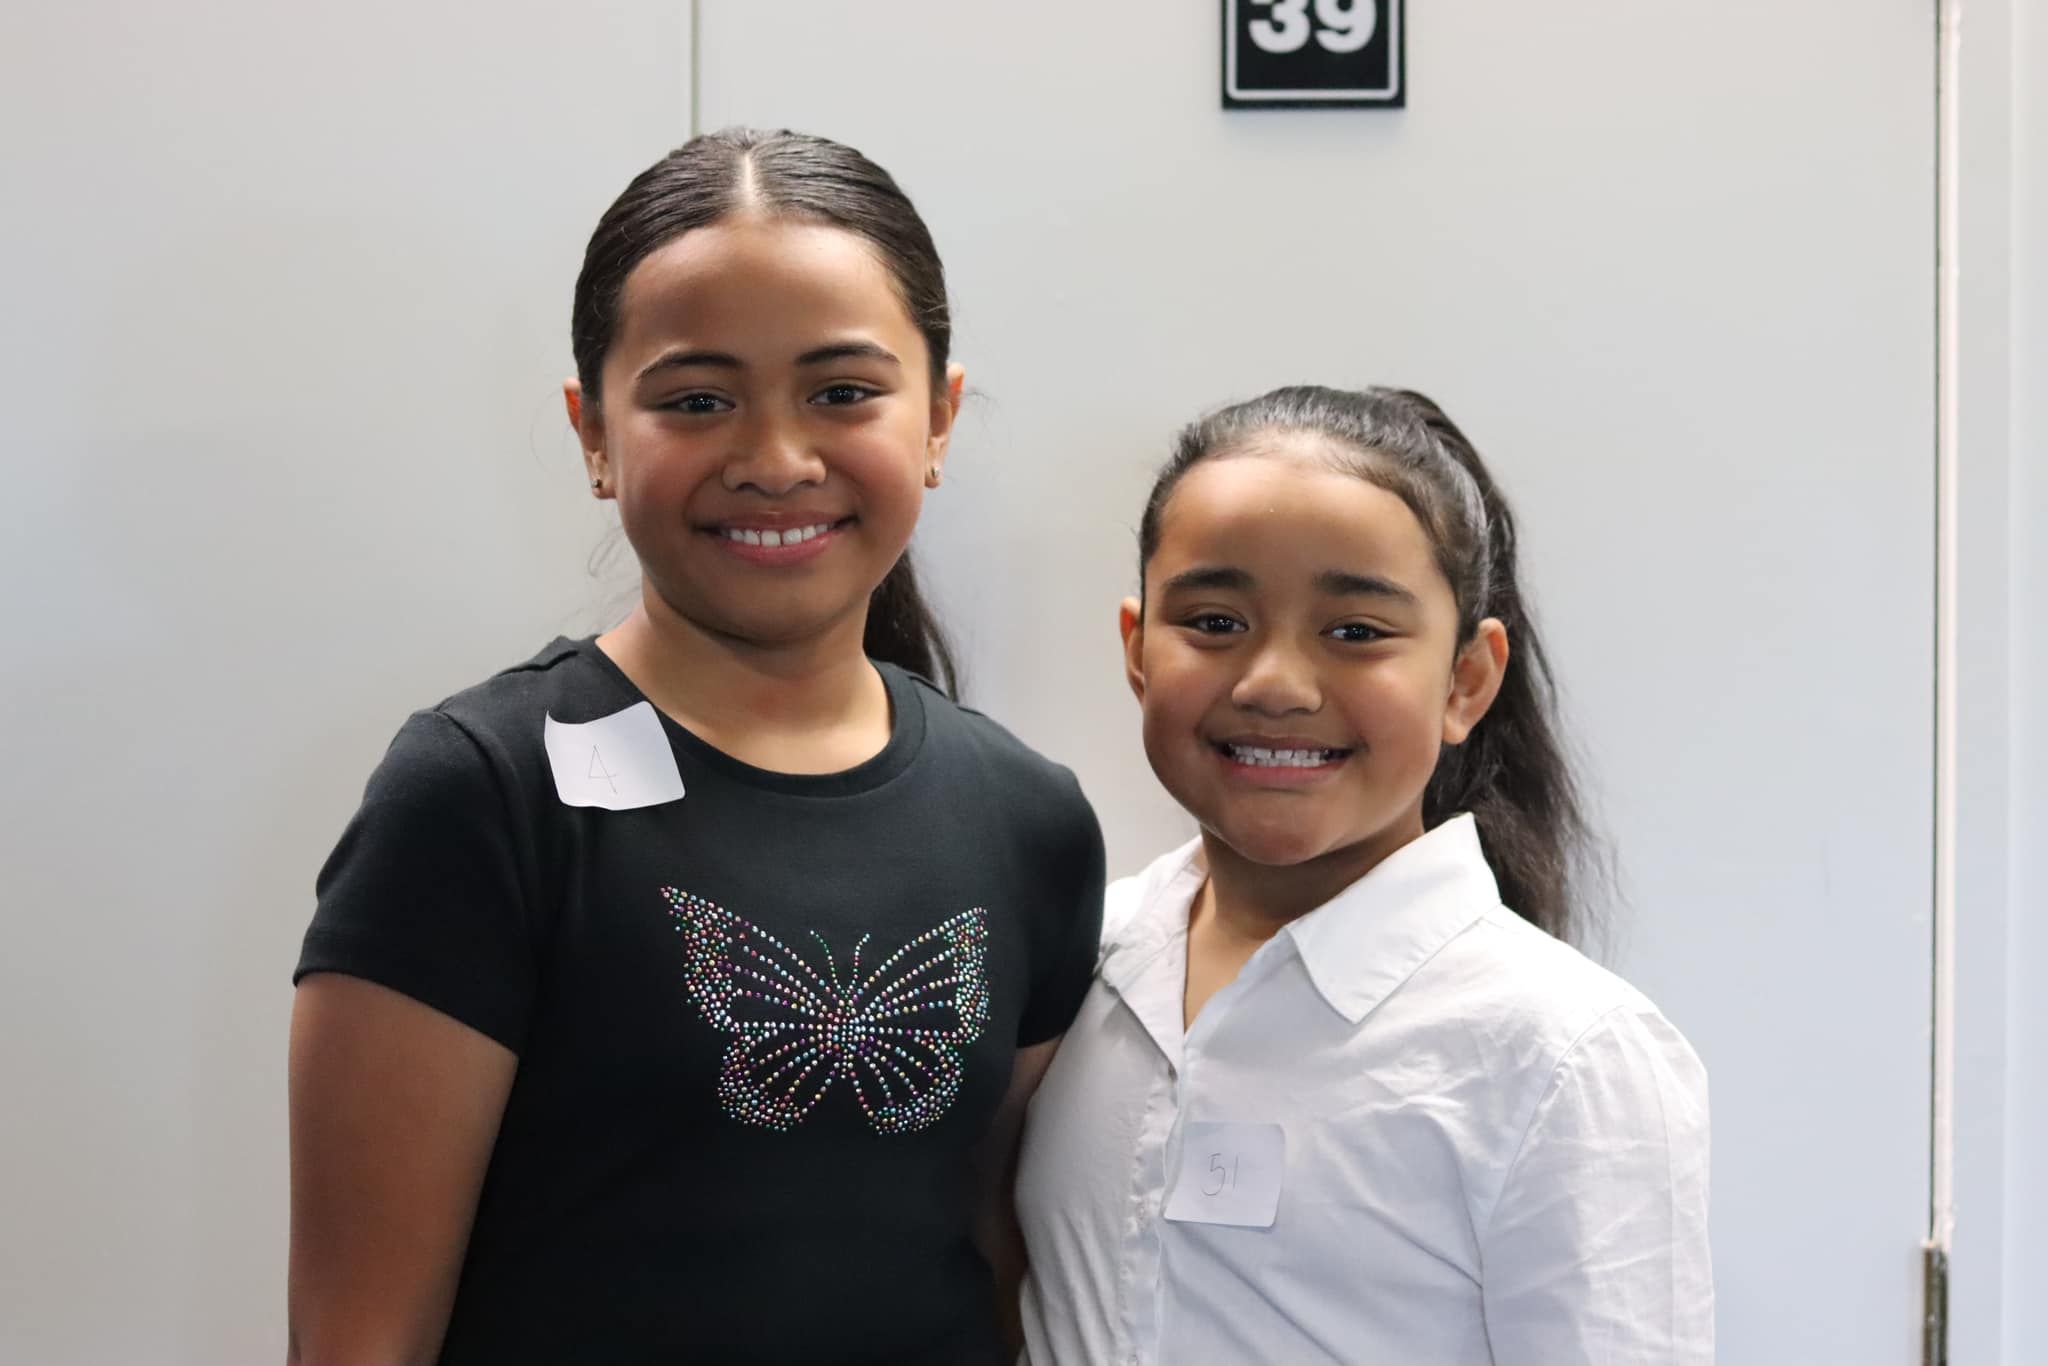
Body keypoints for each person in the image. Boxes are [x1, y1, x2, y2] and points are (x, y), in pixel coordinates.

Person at [287, 128, 1105, 1366]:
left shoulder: (1027, 818)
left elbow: (1003, 1261)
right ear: (594, 433)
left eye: (841, 391)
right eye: (695, 400)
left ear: (937, 417)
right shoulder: (481, 794)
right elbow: (357, 1338)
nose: (775, 460)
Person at [1015, 385, 1710, 1364]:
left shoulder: (1561, 1053)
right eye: (1213, 621)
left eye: (1353, 633)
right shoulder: (1074, 959)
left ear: (1465, 679)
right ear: (1135, 650)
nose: (1273, 685)